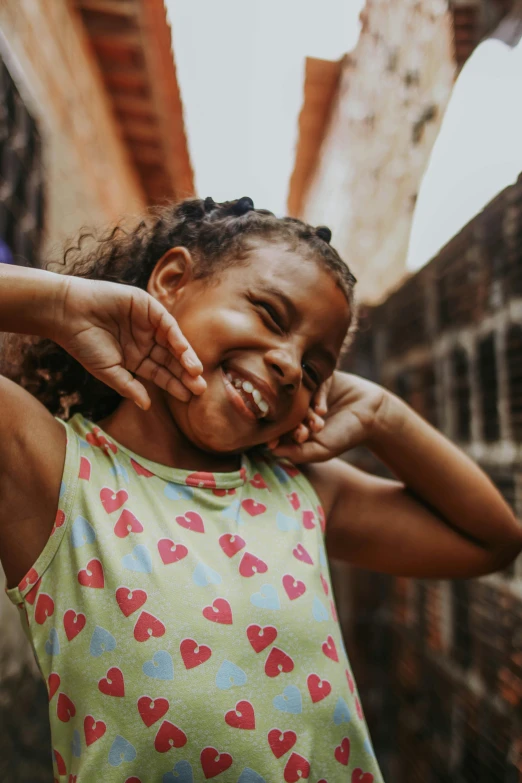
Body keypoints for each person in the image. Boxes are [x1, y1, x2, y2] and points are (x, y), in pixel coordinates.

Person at [0, 197, 520, 783]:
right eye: (271, 316)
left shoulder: (297, 490)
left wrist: (380, 413)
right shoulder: (53, 472)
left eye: (316, 370)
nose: (292, 367)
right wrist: (59, 302)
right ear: (171, 280)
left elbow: (492, 541)